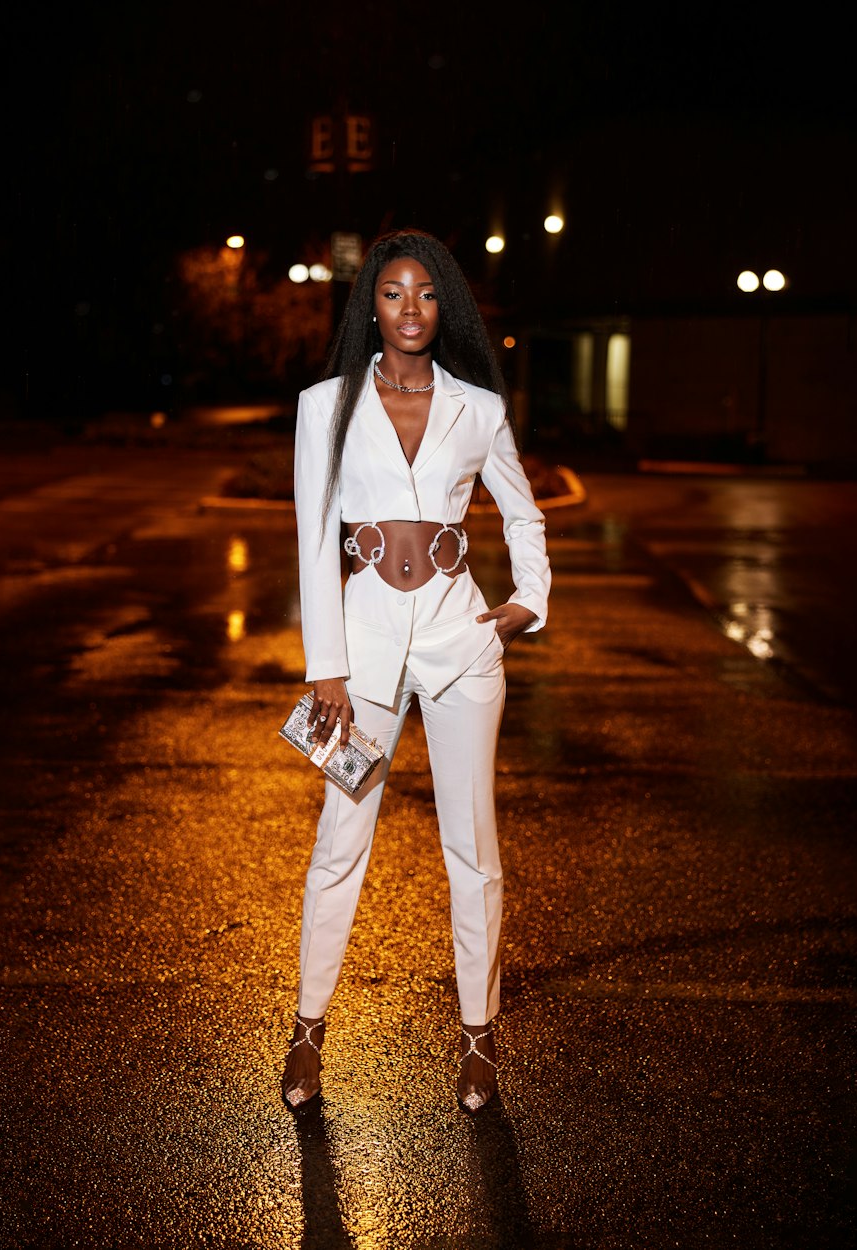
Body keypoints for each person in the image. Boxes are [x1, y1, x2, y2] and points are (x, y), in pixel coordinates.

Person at [282, 229, 551, 1113]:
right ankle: (307, 1035)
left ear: (448, 308)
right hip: (359, 654)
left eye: (427, 294)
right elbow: (315, 537)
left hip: (459, 641)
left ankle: (479, 1043)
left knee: (472, 848)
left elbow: (524, 514)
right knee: (339, 844)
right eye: (392, 293)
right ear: (371, 304)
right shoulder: (326, 403)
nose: (409, 309)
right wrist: (326, 668)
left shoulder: (478, 406)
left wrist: (522, 605)